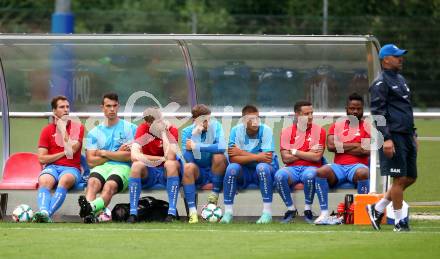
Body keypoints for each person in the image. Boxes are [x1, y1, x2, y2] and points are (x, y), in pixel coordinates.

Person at [367, 44, 417, 232]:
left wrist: (414, 133)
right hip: (393, 136)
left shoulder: (401, 79)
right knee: (399, 178)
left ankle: (377, 208)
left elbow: (406, 109)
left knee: (410, 177)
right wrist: (386, 139)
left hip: (406, 135)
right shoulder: (381, 83)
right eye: (397, 56)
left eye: (401, 56)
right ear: (385, 59)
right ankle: (399, 222)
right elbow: (378, 113)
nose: (400, 59)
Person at [78, 93, 137, 223]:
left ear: (118, 107)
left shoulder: (131, 129)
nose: (112, 109)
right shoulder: (93, 133)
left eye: (114, 106)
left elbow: (130, 156)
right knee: (92, 183)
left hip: (123, 168)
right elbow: (91, 161)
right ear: (102, 107)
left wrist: (103, 152)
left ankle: (90, 208)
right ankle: (89, 216)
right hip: (101, 168)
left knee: (109, 186)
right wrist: (117, 154)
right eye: (108, 106)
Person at [314, 93, 370, 225]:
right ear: (346, 109)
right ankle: (324, 214)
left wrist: (342, 146)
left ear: (363, 109)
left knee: (363, 173)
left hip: (357, 167)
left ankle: (361, 213)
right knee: (321, 172)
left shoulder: (367, 127)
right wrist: (357, 144)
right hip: (338, 167)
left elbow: (366, 150)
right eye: (352, 108)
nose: (355, 111)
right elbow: (331, 146)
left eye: (358, 109)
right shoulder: (337, 125)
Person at [220, 105, 278, 224]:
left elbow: (266, 159)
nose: (256, 121)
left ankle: (267, 213)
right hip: (244, 171)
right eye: (252, 119)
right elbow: (233, 159)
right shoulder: (236, 131)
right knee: (231, 168)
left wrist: (241, 152)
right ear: (244, 120)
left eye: (257, 118)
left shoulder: (266, 130)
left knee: (262, 167)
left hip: (263, 170)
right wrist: (257, 156)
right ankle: (228, 213)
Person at [33, 95, 85, 222]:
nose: (66, 109)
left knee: (65, 180)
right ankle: (44, 211)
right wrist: (63, 153)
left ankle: (46, 214)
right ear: (54, 111)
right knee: (44, 180)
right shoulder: (47, 130)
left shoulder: (78, 127)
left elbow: (72, 150)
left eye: (67, 107)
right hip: (52, 168)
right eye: (62, 107)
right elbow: (42, 159)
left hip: (71, 169)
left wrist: (62, 129)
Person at [127, 107, 182, 223]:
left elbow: (170, 157)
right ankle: (133, 213)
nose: (152, 124)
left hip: (165, 172)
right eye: (149, 121)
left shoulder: (172, 130)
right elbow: (134, 156)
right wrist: (160, 158)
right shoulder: (142, 129)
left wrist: (164, 132)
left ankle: (171, 213)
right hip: (149, 171)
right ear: (146, 122)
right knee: (136, 165)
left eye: (155, 120)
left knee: (171, 164)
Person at [274, 101, 326, 223]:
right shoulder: (286, 132)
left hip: (311, 167)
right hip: (291, 169)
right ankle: (291, 209)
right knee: (279, 176)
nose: (311, 116)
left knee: (310, 175)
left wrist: (294, 151)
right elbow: (285, 158)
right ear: (297, 115)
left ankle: (308, 210)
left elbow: (317, 157)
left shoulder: (320, 131)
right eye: (306, 113)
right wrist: (308, 151)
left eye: (312, 113)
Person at [181, 104, 227, 223]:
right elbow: (189, 158)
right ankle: (192, 213)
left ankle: (214, 196)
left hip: (215, 170)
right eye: (203, 121)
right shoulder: (187, 132)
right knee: (187, 167)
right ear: (194, 120)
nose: (207, 123)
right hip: (199, 172)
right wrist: (195, 136)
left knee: (219, 157)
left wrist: (196, 146)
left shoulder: (216, 126)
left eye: (208, 119)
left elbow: (221, 147)